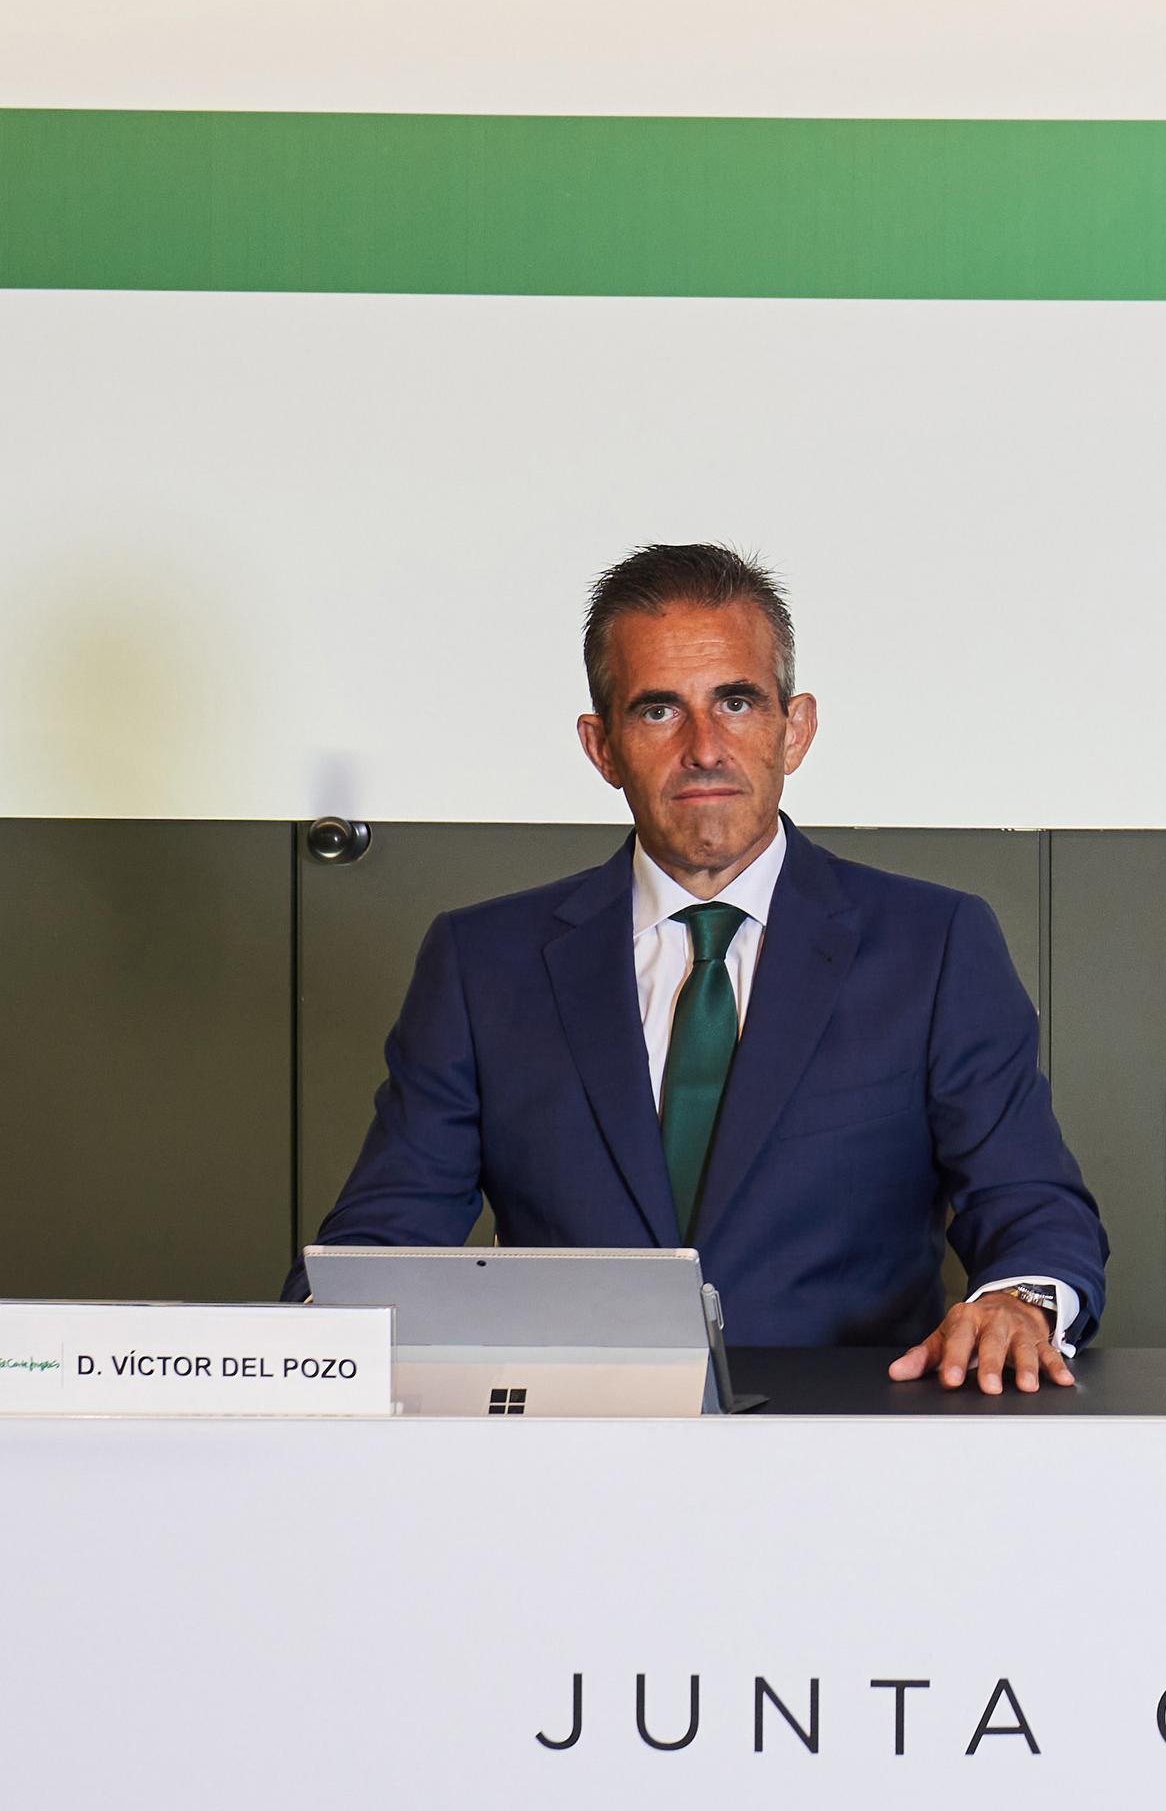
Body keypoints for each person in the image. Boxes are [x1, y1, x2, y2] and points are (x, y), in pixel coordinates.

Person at [311, 544, 1107, 1390]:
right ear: (602, 747)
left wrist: (1020, 1303)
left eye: (735, 702)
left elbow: (1030, 1201)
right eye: (658, 711)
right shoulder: (483, 964)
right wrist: (308, 1351)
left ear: (793, 729)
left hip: (850, 1459)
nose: (703, 747)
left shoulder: (935, 944)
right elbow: (385, 1242)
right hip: (569, 1459)